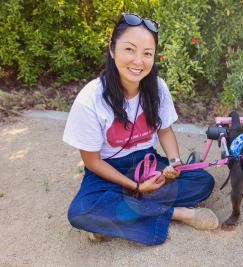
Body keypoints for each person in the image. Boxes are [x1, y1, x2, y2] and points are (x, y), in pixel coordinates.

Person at [63, 13, 218, 246]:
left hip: (147, 165)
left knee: (202, 182)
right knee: (80, 212)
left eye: (147, 53)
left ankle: (120, 214)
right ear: (112, 50)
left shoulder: (157, 87)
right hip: (107, 171)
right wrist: (136, 187)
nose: (138, 61)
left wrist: (174, 162)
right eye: (129, 49)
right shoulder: (90, 99)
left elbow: (165, 131)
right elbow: (93, 162)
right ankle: (177, 214)